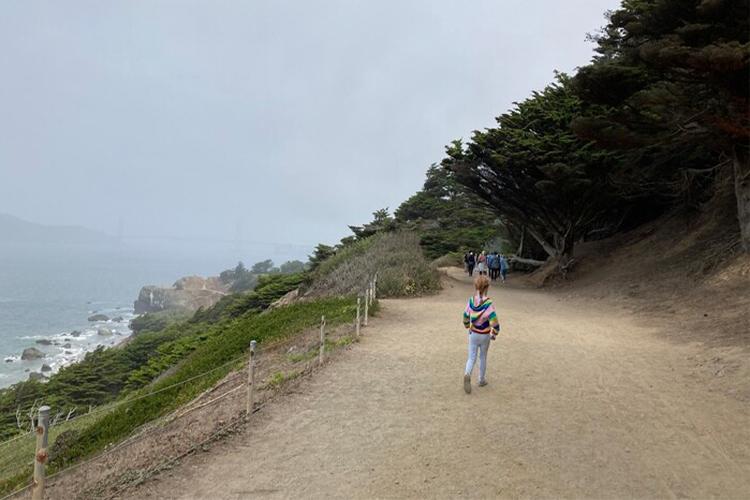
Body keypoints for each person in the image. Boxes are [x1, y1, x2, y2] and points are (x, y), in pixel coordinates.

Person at [462, 275, 500, 393]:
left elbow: (465, 316)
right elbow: (494, 322)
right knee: (482, 357)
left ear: (476, 286)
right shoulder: (488, 303)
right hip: (484, 335)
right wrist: (495, 333)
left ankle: (467, 373)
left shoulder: (471, 300)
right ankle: (481, 380)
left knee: (471, 357)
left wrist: (468, 326)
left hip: (473, 333)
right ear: (487, 287)